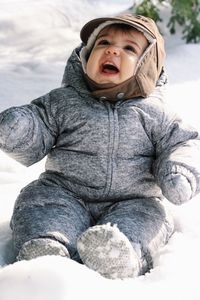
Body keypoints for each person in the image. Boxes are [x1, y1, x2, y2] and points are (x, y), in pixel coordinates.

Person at [0, 13, 200, 280]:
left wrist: (178, 170)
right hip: (64, 191)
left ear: (147, 65)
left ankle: (120, 253)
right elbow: (40, 126)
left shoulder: (156, 111)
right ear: (85, 56)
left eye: (129, 48)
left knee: (147, 220)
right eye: (102, 43)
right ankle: (47, 248)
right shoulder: (63, 102)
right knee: (41, 205)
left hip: (134, 200)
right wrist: (19, 129)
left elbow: (183, 142)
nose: (112, 50)